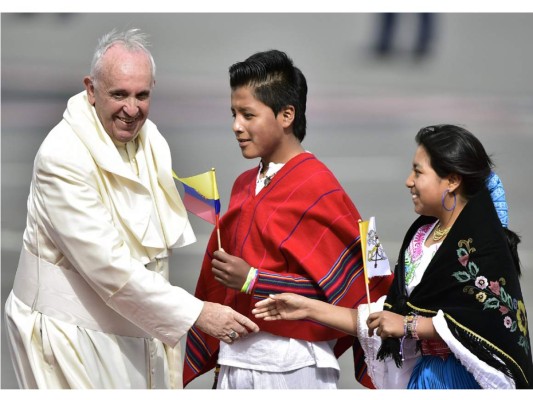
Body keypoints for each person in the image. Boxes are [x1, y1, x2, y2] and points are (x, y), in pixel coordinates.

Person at [3, 28, 259, 389]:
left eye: (142, 95)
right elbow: (108, 265)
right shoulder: (61, 157)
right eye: (118, 94)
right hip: (69, 335)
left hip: (136, 322)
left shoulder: (149, 138)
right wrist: (196, 312)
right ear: (91, 90)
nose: (131, 109)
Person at [253, 124, 533, 389]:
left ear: (452, 180)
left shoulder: (481, 247)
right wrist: (307, 308)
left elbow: (483, 324)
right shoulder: (422, 236)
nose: (408, 182)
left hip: (464, 380)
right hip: (423, 379)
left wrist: (410, 325)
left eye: (418, 172)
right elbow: (386, 318)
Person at [183, 50, 393, 389]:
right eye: (234, 113)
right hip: (235, 360)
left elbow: (350, 294)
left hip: (292, 366)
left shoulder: (318, 187)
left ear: (286, 115)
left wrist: (254, 279)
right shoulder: (242, 185)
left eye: (248, 114)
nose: (236, 125)